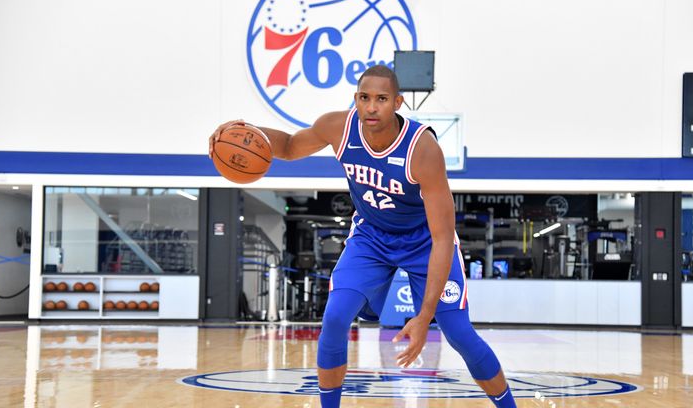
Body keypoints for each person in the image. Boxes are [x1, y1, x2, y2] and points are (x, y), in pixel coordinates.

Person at [209, 65, 516, 407]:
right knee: (336, 317)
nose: (372, 107)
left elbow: (443, 237)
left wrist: (424, 315)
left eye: (382, 99)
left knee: (459, 333)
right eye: (364, 98)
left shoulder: (423, 150)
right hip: (371, 237)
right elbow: (291, 146)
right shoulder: (337, 127)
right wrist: (242, 132)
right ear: (355, 100)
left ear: (398, 102)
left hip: (424, 242)